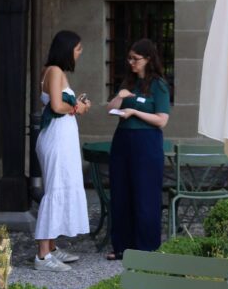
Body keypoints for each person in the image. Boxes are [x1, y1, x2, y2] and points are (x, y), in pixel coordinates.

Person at [106, 38, 170, 260]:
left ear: (148, 59)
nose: (131, 62)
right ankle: (122, 246)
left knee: (145, 194)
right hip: (123, 140)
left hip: (146, 142)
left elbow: (161, 120)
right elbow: (110, 109)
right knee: (121, 192)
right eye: (129, 58)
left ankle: (146, 247)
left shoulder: (159, 85)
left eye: (136, 58)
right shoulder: (128, 82)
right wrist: (119, 97)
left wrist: (134, 112)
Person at [35, 30, 91, 271]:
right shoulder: (55, 71)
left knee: (60, 186)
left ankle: (52, 246)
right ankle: (42, 255)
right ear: (67, 49)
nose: (79, 53)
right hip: (57, 137)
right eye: (77, 49)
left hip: (60, 136)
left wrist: (75, 105)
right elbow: (57, 106)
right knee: (55, 189)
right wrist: (78, 107)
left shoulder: (51, 71)